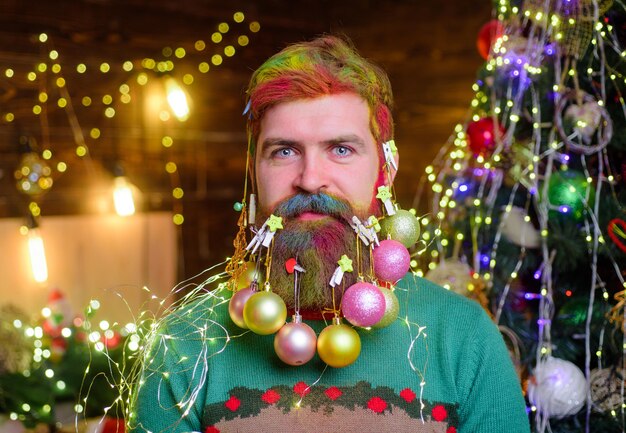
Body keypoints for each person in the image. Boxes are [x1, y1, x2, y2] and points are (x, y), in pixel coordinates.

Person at [128, 35, 530, 433]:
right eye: (284, 151)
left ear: (385, 170)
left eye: (341, 149)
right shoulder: (185, 342)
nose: (310, 179)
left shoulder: (463, 335)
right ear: (254, 172)